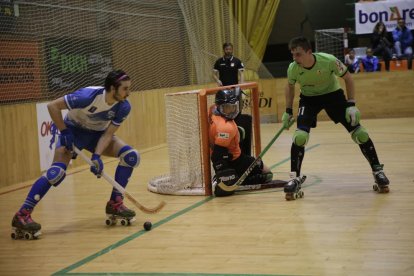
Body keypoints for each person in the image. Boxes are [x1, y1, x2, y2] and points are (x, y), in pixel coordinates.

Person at [11, 70, 140, 239]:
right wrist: (64, 132)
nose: (128, 93)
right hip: (73, 132)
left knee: (131, 156)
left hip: (97, 136)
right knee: (56, 173)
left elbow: (108, 135)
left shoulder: (124, 106)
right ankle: (22, 214)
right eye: (125, 89)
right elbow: (52, 106)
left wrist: (97, 156)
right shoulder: (87, 96)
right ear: (112, 88)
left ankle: (115, 203)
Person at [281, 36, 390, 200]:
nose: (295, 58)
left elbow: (348, 78)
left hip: (333, 95)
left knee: (360, 133)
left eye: (298, 54)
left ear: (309, 52)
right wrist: (288, 110)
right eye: (293, 55)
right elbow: (290, 86)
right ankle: (294, 178)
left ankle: (378, 170)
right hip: (309, 99)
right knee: (300, 137)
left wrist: (351, 103)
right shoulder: (293, 68)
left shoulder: (329, 60)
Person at [209, 89, 273, 197]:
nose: (231, 111)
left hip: (231, 153)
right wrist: (223, 174)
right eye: (227, 108)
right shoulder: (226, 127)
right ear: (220, 107)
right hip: (236, 161)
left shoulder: (212, 111)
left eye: (233, 107)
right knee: (268, 174)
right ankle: (241, 178)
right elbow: (217, 156)